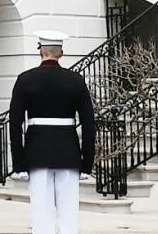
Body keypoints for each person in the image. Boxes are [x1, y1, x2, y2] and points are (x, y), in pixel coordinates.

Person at [8, 33, 96, 234]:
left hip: (37, 151)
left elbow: (15, 124)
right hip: (68, 151)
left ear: (41, 51)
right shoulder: (75, 80)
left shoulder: (25, 79)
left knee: (41, 214)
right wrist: (86, 162)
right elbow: (89, 123)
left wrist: (19, 163)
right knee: (69, 215)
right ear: (61, 53)